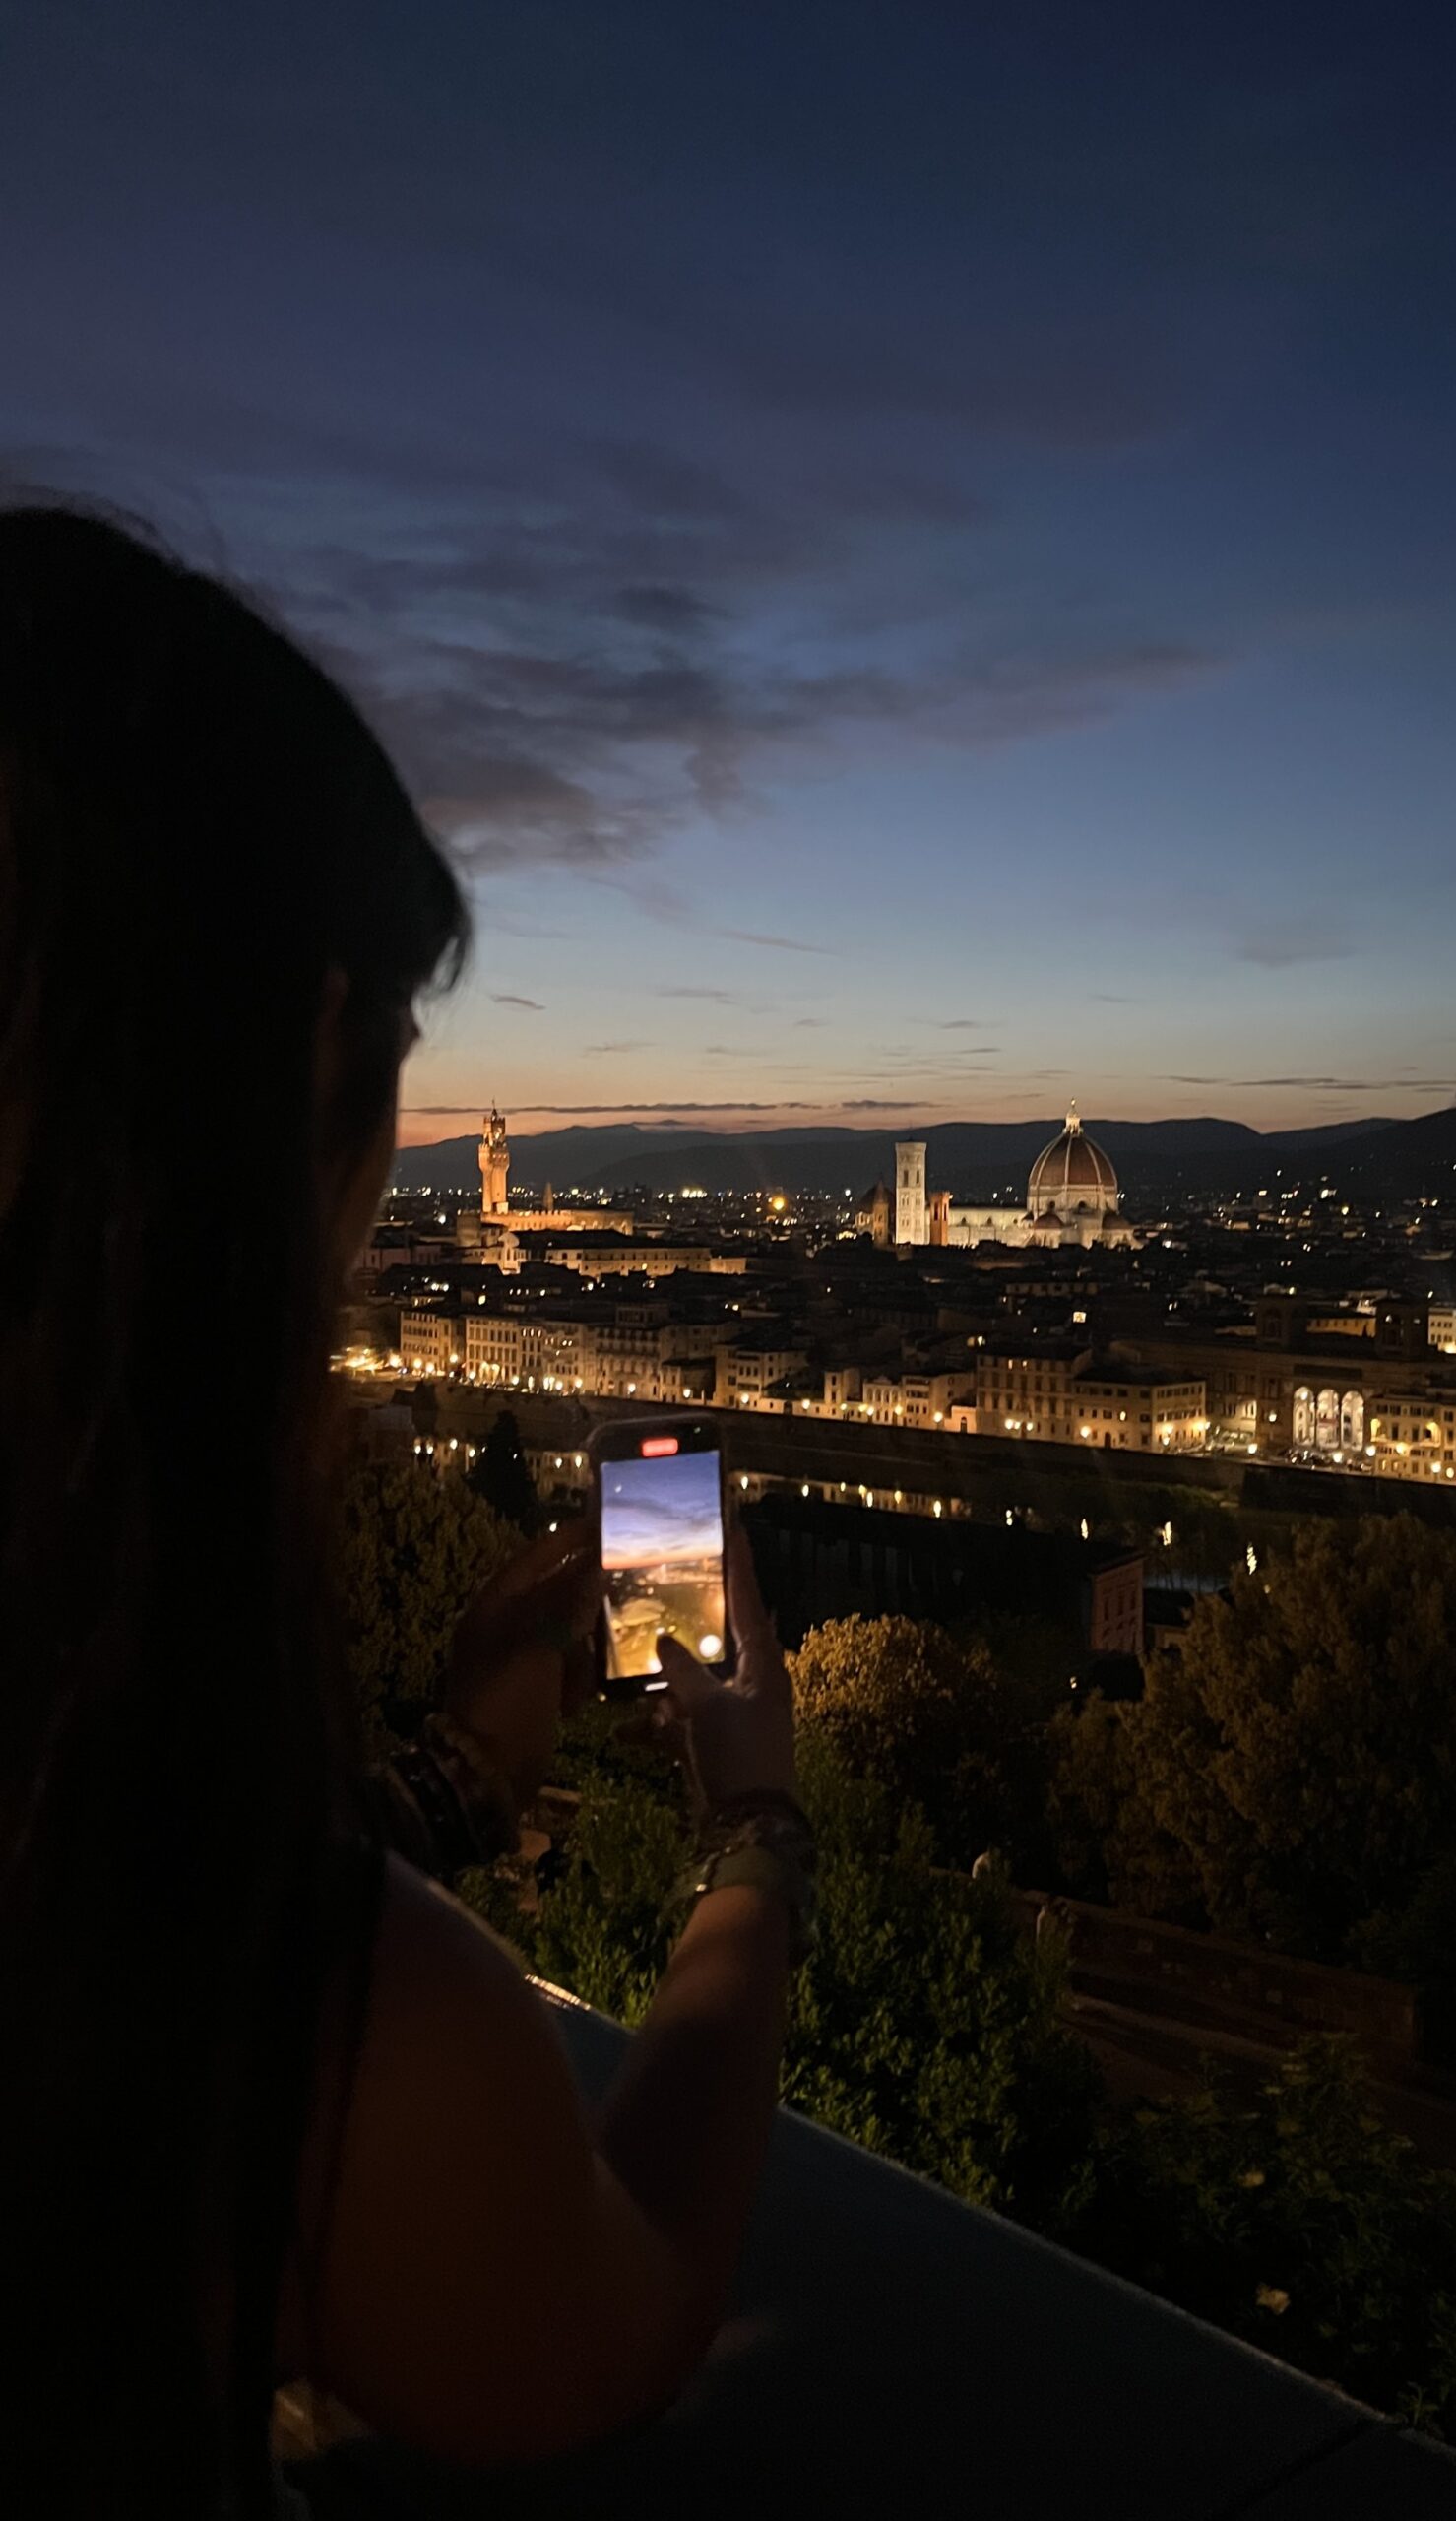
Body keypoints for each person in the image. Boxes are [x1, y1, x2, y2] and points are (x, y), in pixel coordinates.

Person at [0, 505, 813, 2511]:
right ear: (276, 1090)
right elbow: (602, 2333)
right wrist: (759, 1830)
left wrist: (451, 1778)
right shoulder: (321, 2017)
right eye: (392, 1069)